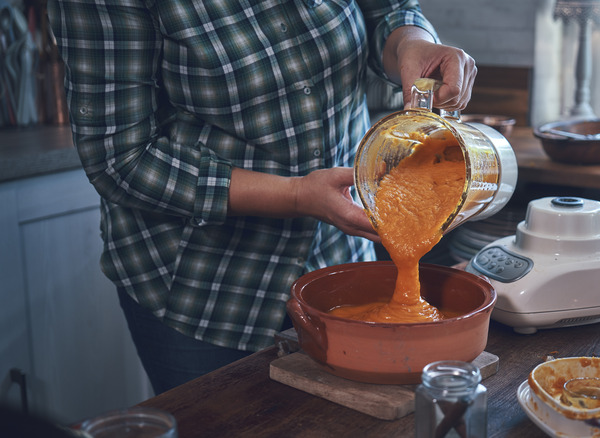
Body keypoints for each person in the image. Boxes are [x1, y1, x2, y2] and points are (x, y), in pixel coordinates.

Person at [47, 0, 477, 394]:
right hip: (205, 285)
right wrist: (296, 195)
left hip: (336, 259)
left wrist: (411, 42)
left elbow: (390, 10)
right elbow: (119, 159)